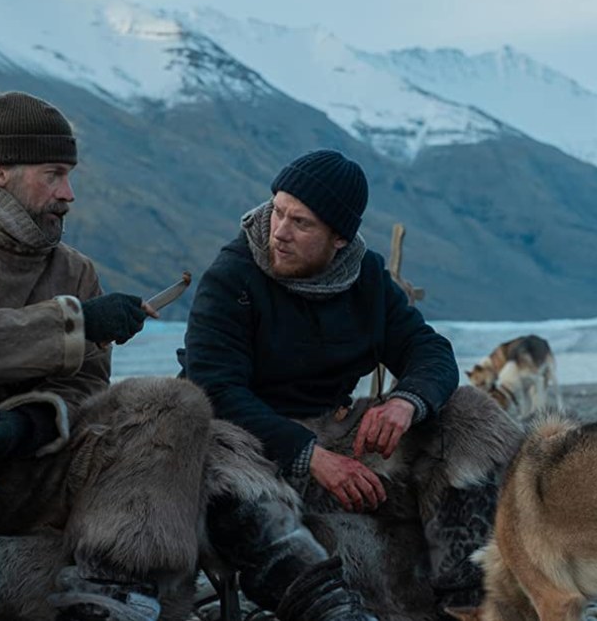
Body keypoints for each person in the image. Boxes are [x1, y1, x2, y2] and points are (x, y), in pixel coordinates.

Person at [0, 93, 369, 621]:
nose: (68, 193)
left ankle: (118, 590)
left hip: (19, 467)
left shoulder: (73, 269)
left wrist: (22, 426)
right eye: (54, 174)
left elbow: (84, 392)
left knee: (172, 405)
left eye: (70, 175)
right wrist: (78, 322)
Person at [183, 149, 522, 618]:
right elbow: (213, 389)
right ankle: (332, 608)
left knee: (469, 415)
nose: (279, 232)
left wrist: (407, 402)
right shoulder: (232, 277)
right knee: (229, 471)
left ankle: (468, 596)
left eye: (301, 223)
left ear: (339, 238)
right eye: (278, 211)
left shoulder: (365, 278)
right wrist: (308, 456)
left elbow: (430, 352)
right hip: (244, 443)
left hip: (336, 431)